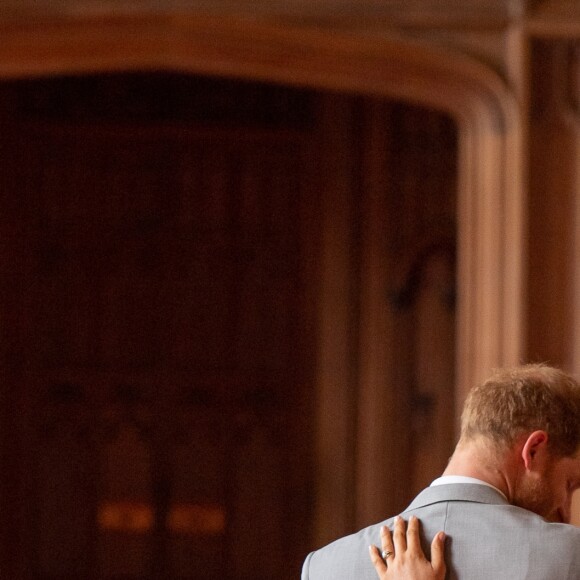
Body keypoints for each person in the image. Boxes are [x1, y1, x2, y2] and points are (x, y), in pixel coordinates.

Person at [301, 363, 580, 579]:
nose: (565, 511)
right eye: (569, 484)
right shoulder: (569, 555)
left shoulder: (324, 568)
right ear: (533, 451)